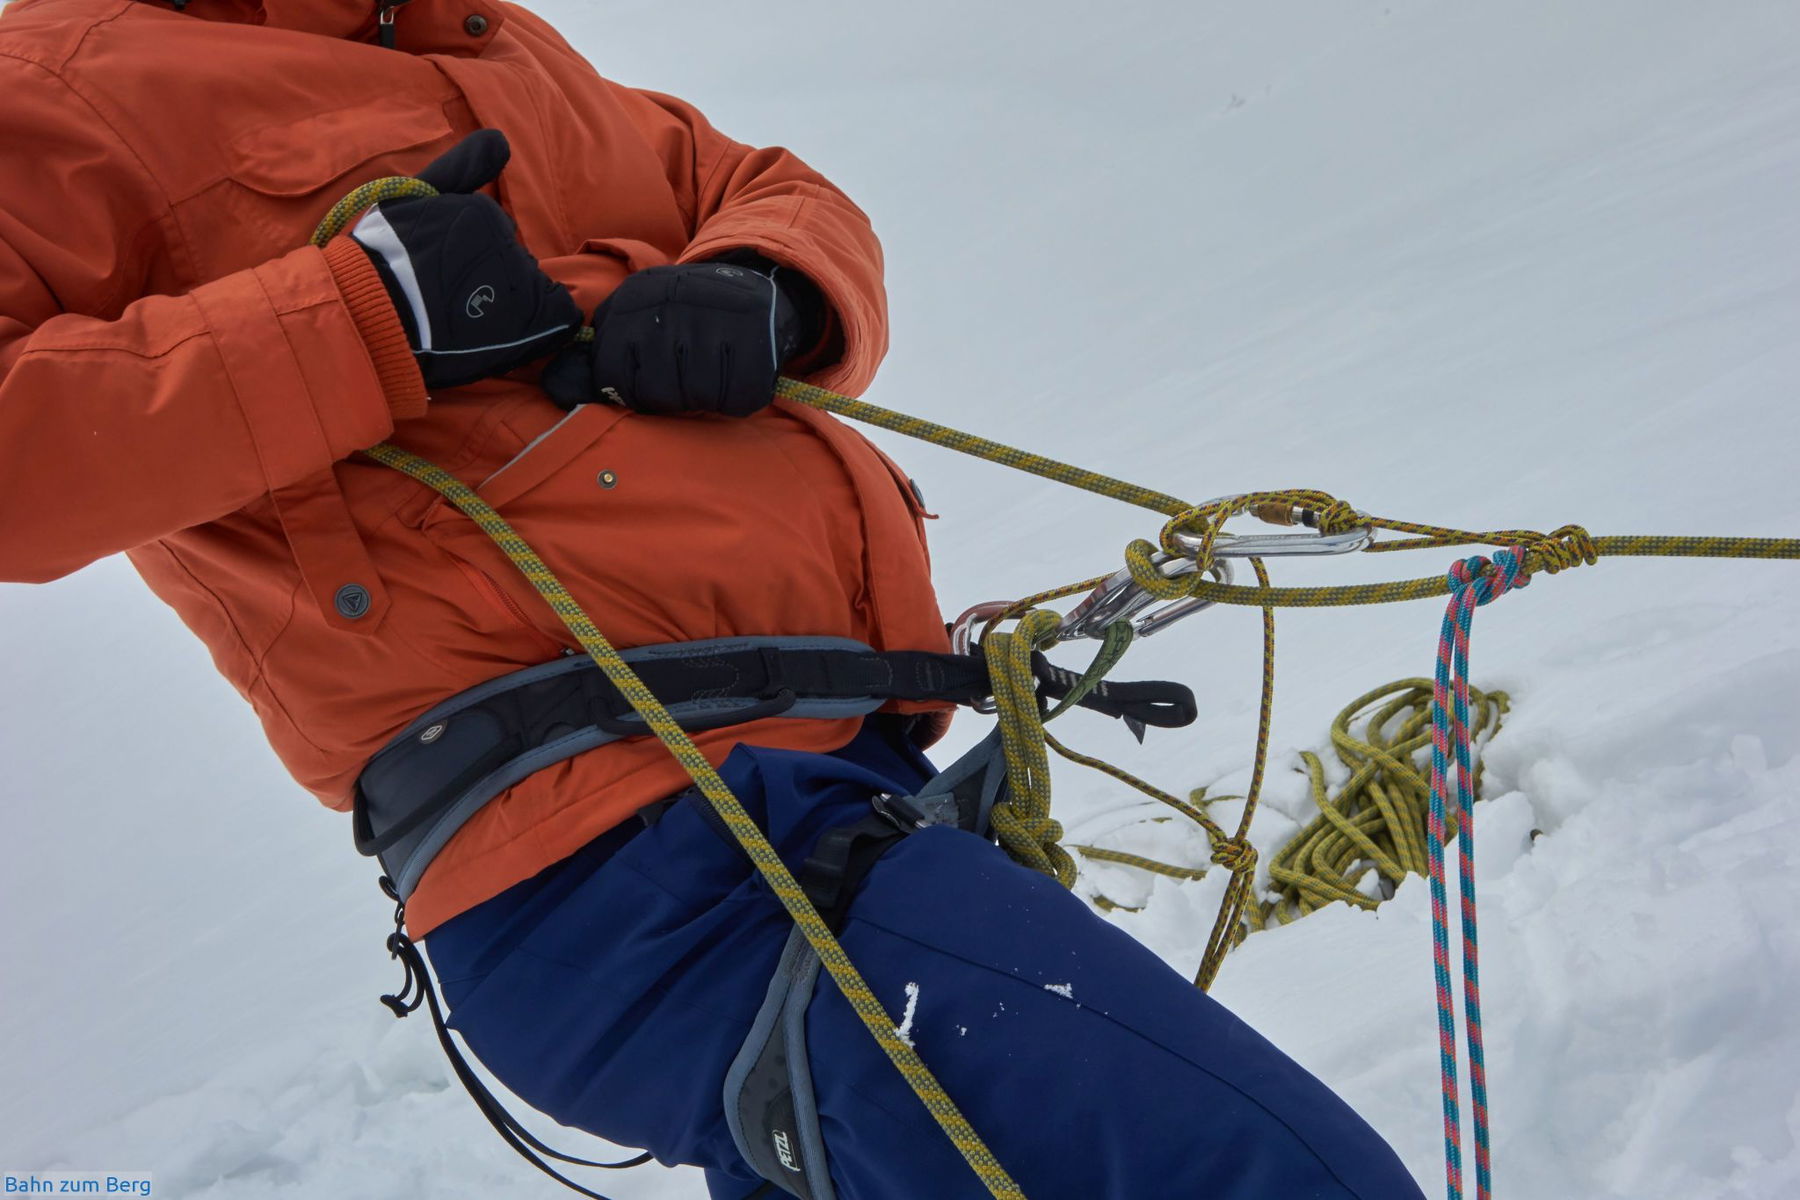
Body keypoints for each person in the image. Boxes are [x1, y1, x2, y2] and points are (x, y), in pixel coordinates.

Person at [0, 2, 1428, 1196]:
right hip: (629, 859)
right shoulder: (58, 90)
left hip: (811, 790)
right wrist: (357, 323)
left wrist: (767, 285)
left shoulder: (493, 49)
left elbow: (770, 182)